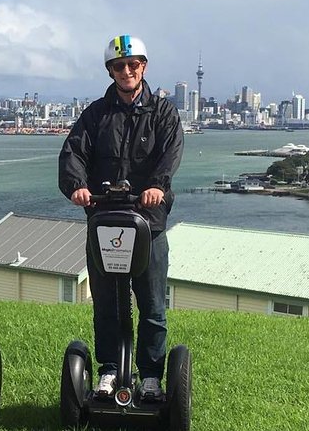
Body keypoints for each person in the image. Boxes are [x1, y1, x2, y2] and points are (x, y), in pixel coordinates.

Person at [58, 34, 183, 401]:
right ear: (110, 71)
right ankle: (109, 370)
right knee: (107, 306)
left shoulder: (163, 112)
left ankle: (149, 376)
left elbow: (170, 154)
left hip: (149, 223)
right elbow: (73, 153)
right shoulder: (96, 113)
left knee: (153, 306)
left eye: (133, 64)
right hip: (106, 221)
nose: (127, 70)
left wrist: (157, 186)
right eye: (119, 66)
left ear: (143, 67)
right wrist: (77, 186)